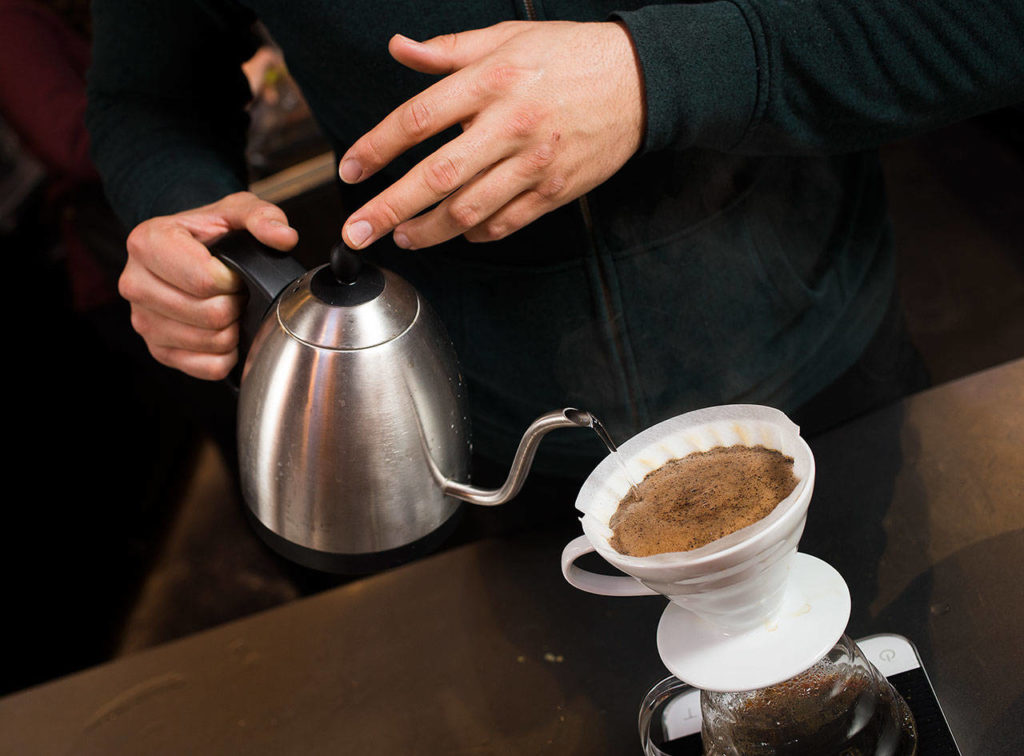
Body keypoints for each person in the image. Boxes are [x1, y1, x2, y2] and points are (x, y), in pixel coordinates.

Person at [86, 1, 1024, 477]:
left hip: (832, 389)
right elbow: (145, 93)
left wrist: (657, 71)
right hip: (493, 453)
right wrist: (175, 209)